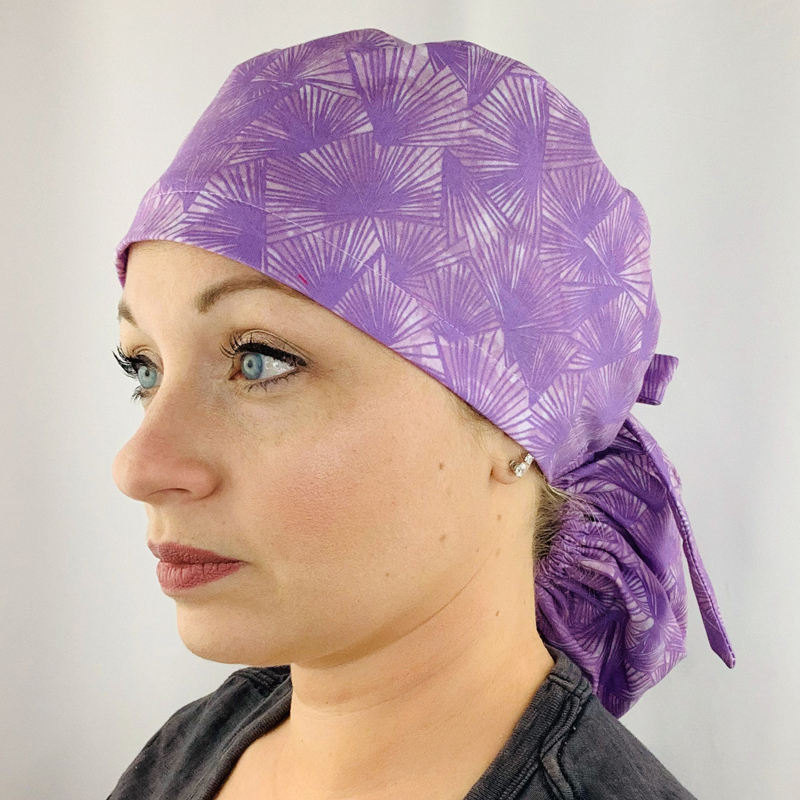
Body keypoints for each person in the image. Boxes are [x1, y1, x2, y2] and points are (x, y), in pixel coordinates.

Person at [106, 27, 735, 800]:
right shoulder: (190, 748)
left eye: (260, 359)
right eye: (143, 368)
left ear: (514, 427)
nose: (137, 467)